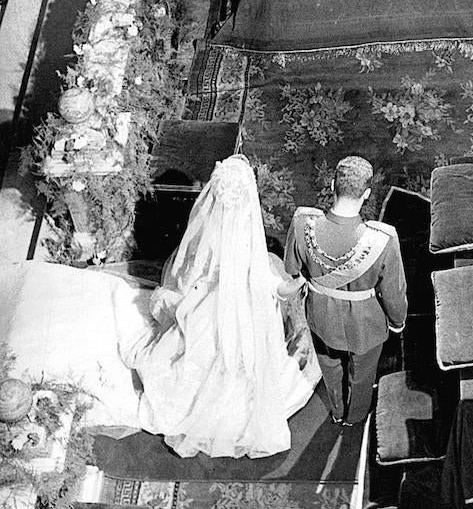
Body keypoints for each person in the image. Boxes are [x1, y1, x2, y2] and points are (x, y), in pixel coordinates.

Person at [123, 155, 321, 458]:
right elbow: (273, 286)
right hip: (244, 312)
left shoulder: (209, 233)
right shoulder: (250, 237)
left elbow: (190, 277)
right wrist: (296, 284)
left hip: (208, 308)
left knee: (195, 342)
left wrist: (186, 300)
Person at [284, 156, 408, 426]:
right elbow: (394, 292)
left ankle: (338, 411)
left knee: (330, 369)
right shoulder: (382, 239)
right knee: (362, 376)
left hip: (320, 318)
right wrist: (397, 322)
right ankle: (355, 417)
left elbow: (292, 269)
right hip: (366, 325)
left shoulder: (302, 223)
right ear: (366, 194)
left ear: (332, 185)